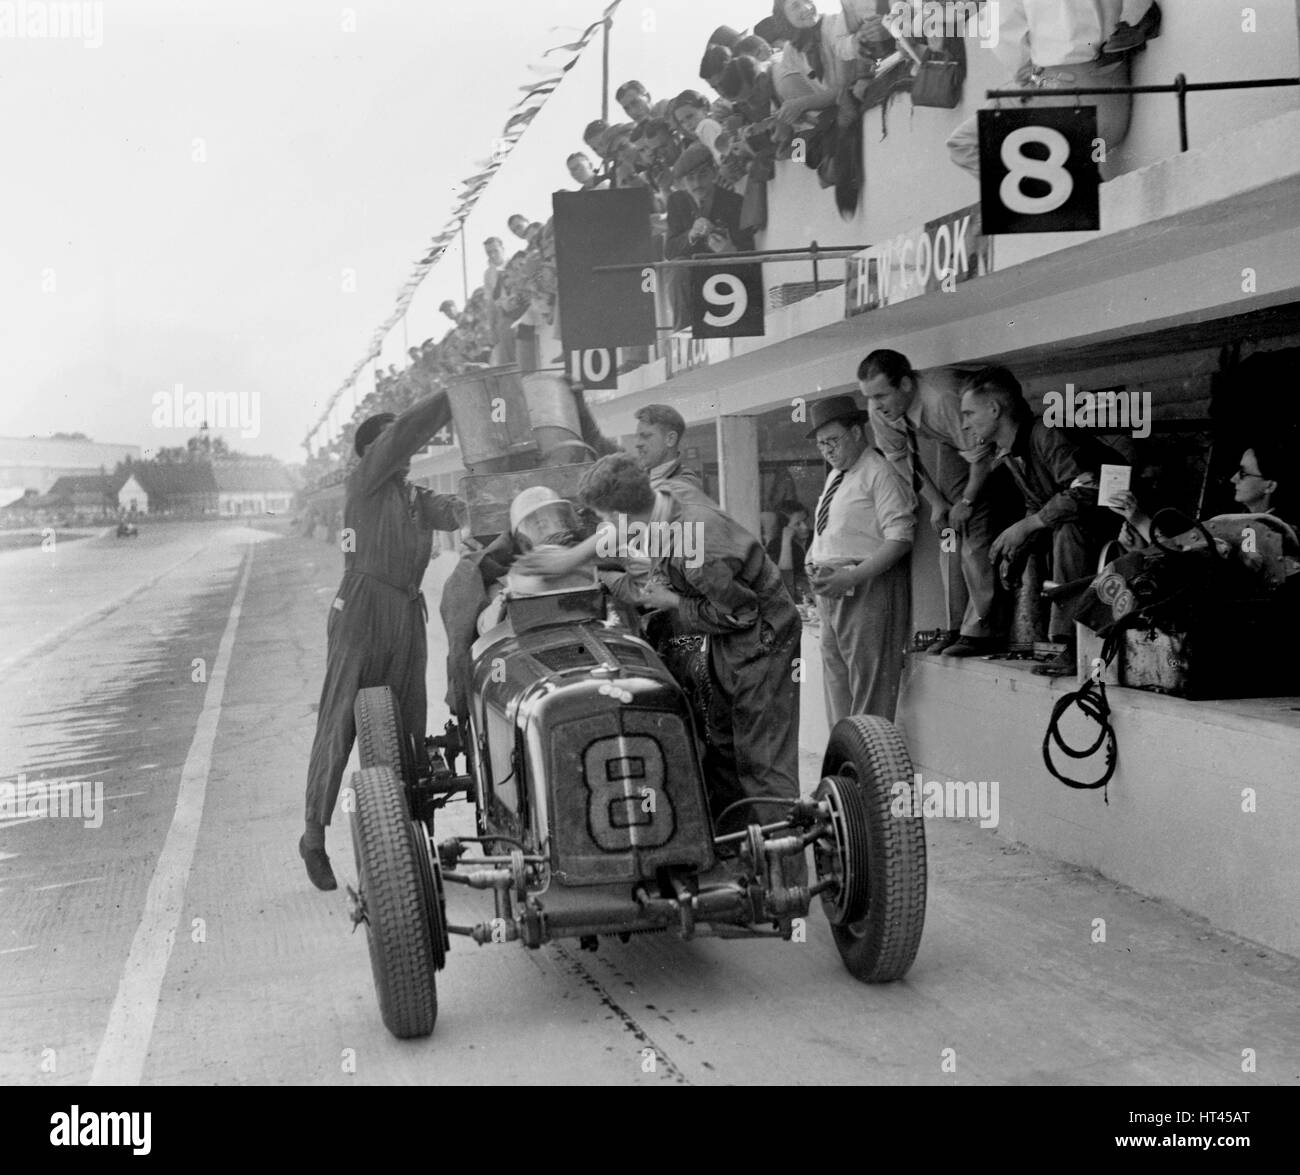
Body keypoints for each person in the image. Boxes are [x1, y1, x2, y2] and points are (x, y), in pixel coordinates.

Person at [578, 452, 802, 834]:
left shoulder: (698, 550)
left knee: (762, 763)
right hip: (727, 641)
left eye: (603, 520)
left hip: (763, 639)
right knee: (724, 747)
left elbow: (740, 615)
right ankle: (735, 846)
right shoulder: (665, 495)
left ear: (621, 515)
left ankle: (784, 866)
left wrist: (673, 603)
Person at [300, 395, 465, 890]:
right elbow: (403, 435)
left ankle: (421, 844)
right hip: (362, 606)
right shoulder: (366, 481)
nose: (409, 451)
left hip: (405, 611)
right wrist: (451, 398)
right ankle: (313, 836)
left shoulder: (414, 497)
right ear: (374, 450)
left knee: (411, 723)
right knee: (340, 721)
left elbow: (456, 512)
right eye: (396, 442)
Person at [958, 366, 1122, 676]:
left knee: (1066, 531)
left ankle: (1071, 645)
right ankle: (1031, 641)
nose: (964, 424)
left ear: (994, 409)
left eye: (968, 413)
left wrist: (1028, 526)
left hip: (1119, 524)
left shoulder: (1046, 432)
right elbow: (1039, 503)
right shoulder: (1009, 451)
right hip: (1082, 526)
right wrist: (1017, 542)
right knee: (1025, 543)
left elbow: (1087, 489)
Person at [859, 349, 1009, 657]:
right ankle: (956, 627)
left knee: (974, 534)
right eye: (870, 397)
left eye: (881, 396)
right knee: (949, 537)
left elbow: (982, 457)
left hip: (988, 443)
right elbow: (900, 459)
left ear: (905, 384)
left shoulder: (942, 399)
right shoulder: (881, 411)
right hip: (953, 443)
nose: (875, 405)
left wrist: (966, 501)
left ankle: (981, 630)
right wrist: (938, 503)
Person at [805, 393, 917, 723]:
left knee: (869, 686)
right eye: (821, 444)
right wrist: (814, 559)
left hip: (866, 586)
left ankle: (867, 768)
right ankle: (844, 765)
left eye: (833, 441)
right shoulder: (836, 475)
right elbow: (831, 529)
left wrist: (851, 576)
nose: (827, 450)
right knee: (837, 682)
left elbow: (900, 539)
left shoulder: (878, 472)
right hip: (832, 590)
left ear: (856, 432)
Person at [946, 0, 1137, 182]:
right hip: (1114, 103)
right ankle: (1067, 183)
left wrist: (1028, 72)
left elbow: (1008, 45)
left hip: (1075, 105)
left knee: (962, 144)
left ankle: (1058, 193)